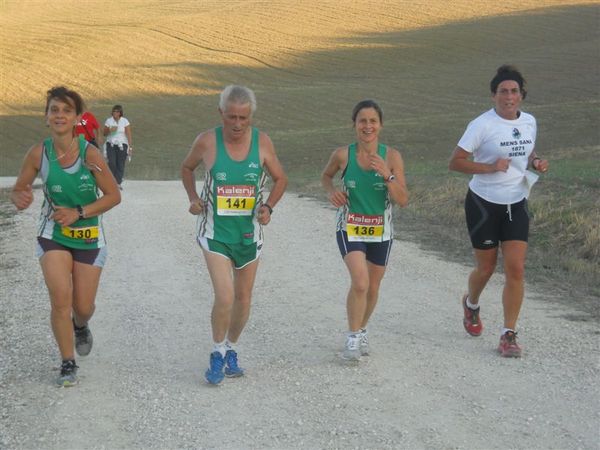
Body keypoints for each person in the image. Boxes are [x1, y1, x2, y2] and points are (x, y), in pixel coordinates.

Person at [11, 86, 121, 386]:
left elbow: (113, 196)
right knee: (61, 299)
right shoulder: (38, 153)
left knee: (82, 306)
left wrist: (79, 212)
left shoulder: (91, 154)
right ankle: (67, 361)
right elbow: (20, 187)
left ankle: (80, 324)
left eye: (66, 111)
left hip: (88, 236)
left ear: (77, 118)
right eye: (54, 110)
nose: (60, 115)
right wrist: (19, 197)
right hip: (53, 234)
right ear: (46, 117)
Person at [181, 85, 288, 385]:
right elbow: (187, 168)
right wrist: (192, 198)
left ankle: (231, 348)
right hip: (215, 233)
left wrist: (268, 207)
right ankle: (216, 352)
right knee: (225, 296)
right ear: (221, 114)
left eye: (244, 118)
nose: (238, 124)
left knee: (243, 299)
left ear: (251, 115)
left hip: (248, 235)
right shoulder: (206, 141)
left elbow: (281, 179)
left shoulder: (263, 143)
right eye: (231, 117)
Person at [449, 65, 549, 357]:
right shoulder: (481, 125)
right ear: (494, 95)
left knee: (516, 268)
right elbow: (455, 162)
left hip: (516, 202)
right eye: (503, 91)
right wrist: (490, 167)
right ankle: (471, 304)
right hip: (483, 203)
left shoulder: (529, 122)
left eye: (514, 91)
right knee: (487, 268)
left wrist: (536, 161)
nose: (509, 96)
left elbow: (526, 151)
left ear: (521, 95)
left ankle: (508, 334)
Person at [321, 99, 409, 361]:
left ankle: (361, 330)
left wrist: (387, 175)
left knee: (372, 286)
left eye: (372, 121)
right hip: (350, 226)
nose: (367, 126)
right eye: (362, 121)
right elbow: (326, 177)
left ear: (380, 125)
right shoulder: (342, 155)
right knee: (360, 282)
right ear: (354, 125)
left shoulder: (392, 157)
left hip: (381, 230)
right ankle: (351, 339)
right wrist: (332, 192)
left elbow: (402, 199)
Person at [103, 104, 133, 189]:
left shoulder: (125, 121)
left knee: (120, 164)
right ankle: (112, 180)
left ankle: (118, 182)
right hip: (111, 144)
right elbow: (104, 134)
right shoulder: (109, 121)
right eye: (114, 111)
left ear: (120, 113)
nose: (115, 113)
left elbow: (129, 135)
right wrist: (109, 130)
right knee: (112, 162)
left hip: (122, 144)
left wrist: (130, 148)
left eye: (117, 111)